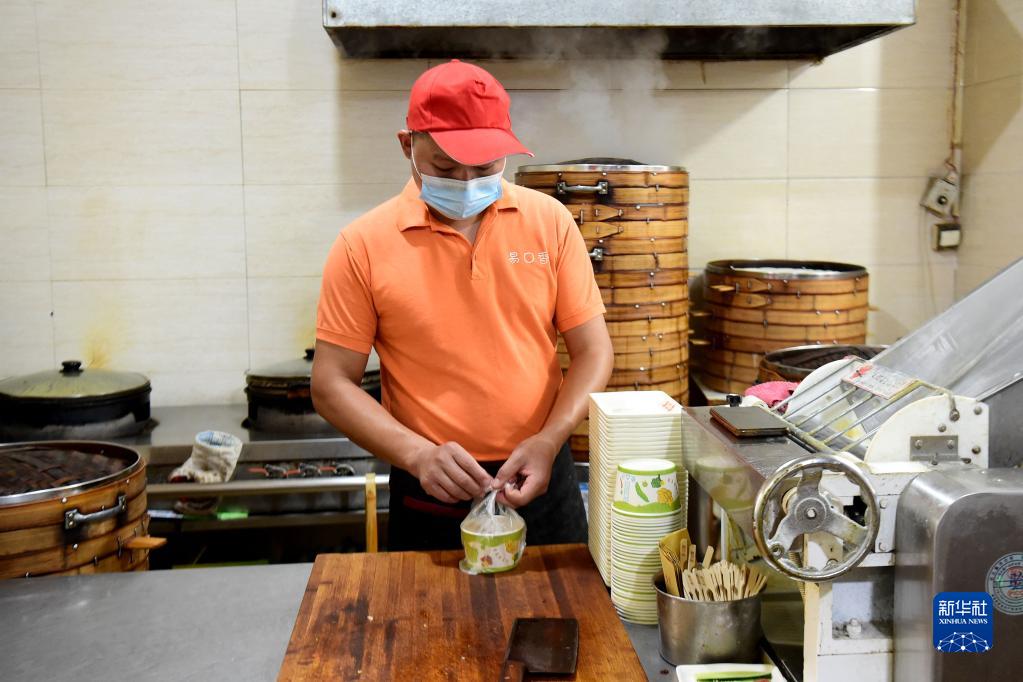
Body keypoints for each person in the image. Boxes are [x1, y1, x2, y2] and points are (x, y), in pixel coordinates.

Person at [311, 60, 613, 551]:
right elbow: (330, 384)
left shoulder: (549, 222)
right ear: (407, 146)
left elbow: (594, 350)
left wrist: (551, 437)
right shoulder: (362, 245)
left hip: (541, 474)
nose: (468, 182)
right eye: (446, 168)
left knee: (562, 602)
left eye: (486, 166)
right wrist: (417, 455)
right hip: (429, 487)